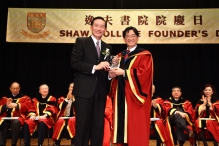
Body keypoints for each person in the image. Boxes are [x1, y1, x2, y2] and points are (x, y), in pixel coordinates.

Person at [71, 16, 112, 146]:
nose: (99, 28)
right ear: (91, 27)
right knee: (82, 125)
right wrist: (95, 67)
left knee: (98, 126)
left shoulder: (107, 47)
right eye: (96, 25)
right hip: (84, 91)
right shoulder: (81, 42)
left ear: (105, 29)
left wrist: (111, 71)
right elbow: (75, 63)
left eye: (102, 26)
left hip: (100, 91)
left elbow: (106, 69)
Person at [108, 26, 153, 146]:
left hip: (135, 96)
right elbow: (113, 75)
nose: (130, 38)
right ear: (124, 39)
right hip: (120, 95)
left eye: (133, 36)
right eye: (127, 36)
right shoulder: (119, 56)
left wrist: (124, 72)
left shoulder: (145, 55)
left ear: (138, 37)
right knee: (121, 126)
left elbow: (144, 73)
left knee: (135, 125)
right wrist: (112, 70)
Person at [0, 82, 31, 146]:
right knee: (1, 122)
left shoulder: (25, 98)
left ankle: (13, 144)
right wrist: (5, 106)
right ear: (10, 89)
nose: (15, 90)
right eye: (13, 88)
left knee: (15, 123)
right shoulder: (4, 98)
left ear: (19, 89)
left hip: (17, 117)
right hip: (6, 117)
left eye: (17, 88)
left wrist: (17, 105)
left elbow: (27, 107)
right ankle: (2, 144)